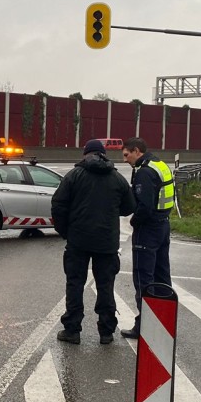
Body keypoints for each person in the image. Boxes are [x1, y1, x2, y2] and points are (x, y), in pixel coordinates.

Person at [51, 139, 136, 344]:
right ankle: (106, 331)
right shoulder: (116, 178)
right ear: (104, 154)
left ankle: (72, 330)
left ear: (85, 154)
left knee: (75, 284)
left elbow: (58, 204)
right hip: (107, 243)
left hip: (78, 241)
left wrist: (65, 232)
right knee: (105, 286)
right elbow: (129, 206)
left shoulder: (74, 175)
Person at [120, 137, 176, 339]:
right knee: (162, 276)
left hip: (148, 229)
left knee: (144, 278)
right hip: (163, 225)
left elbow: (144, 205)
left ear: (136, 151)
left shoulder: (144, 172)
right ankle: (165, 322)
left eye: (127, 155)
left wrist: (134, 222)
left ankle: (145, 325)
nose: (125, 159)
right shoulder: (160, 165)